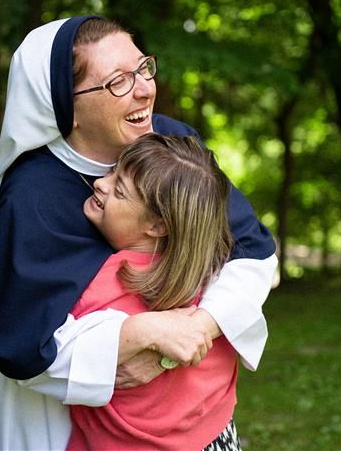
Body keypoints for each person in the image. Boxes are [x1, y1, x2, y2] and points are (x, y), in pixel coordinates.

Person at [0, 15, 277, 450]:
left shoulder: (171, 146)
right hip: (53, 419)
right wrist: (138, 336)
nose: (145, 88)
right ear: (66, 107)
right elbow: (26, 344)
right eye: (118, 82)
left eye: (143, 68)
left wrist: (194, 330)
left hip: (188, 416)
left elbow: (253, 252)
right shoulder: (32, 198)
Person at [67, 133, 241, 450]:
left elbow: (48, 351)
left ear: (158, 226)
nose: (101, 184)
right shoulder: (208, 275)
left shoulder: (97, 284)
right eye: (112, 171)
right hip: (217, 434)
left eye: (119, 190)